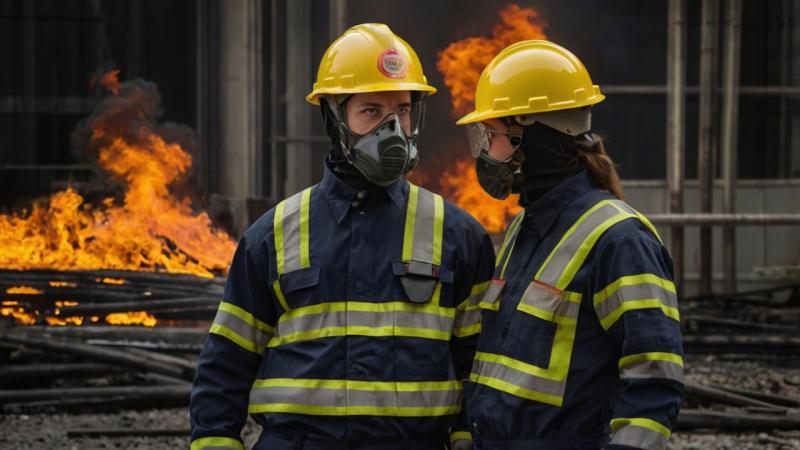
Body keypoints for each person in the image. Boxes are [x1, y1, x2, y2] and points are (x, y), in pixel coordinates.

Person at [190, 23, 494, 450]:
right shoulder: (272, 235)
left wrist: (466, 437)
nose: (394, 129)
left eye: (402, 111)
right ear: (335, 118)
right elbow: (227, 363)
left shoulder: (460, 236)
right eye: (372, 111)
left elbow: (477, 364)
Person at [456, 40, 684, 450]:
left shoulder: (620, 240)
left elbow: (655, 380)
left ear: (534, 135)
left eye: (493, 135)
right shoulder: (525, 227)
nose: (487, 151)